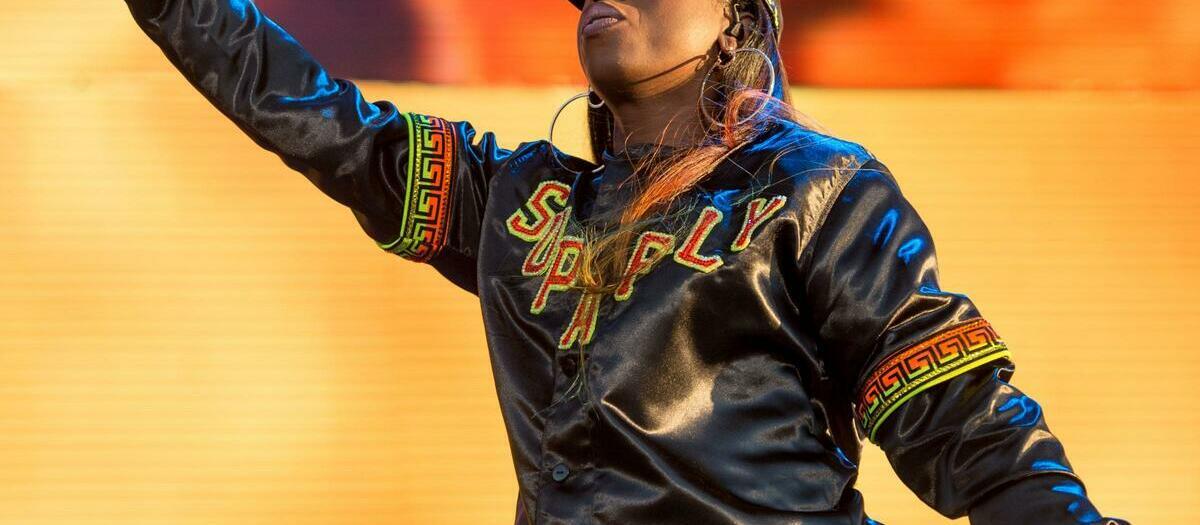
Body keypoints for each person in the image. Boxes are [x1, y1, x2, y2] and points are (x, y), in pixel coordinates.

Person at [123, 1, 1130, 523]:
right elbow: (310, 114)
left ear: (735, 18)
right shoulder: (518, 198)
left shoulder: (818, 188)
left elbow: (969, 425)